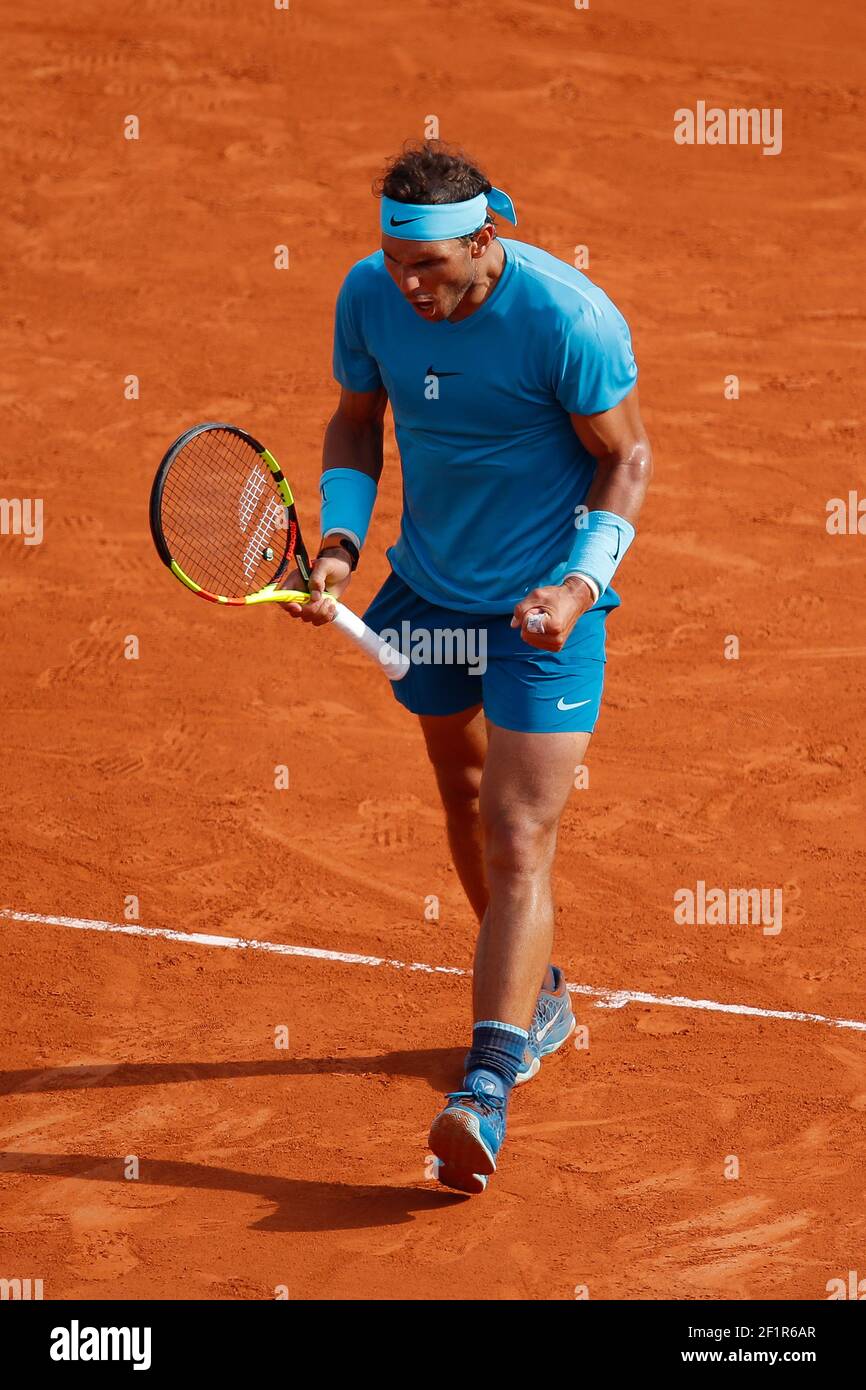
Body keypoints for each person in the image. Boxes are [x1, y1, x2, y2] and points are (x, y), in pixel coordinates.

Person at [282, 140, 653, 1195]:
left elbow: (623, 455)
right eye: (397, 265)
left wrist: (576, 583)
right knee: (463, 791)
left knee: (520, 828)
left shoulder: (566, 318)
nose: (410, 288)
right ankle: (535, 997)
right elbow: (357, 421)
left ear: (484, 241)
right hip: (431, 592)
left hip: (544, 607)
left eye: (432, 268)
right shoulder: (370, 293)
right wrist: (341, 547)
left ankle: (483, 1084)